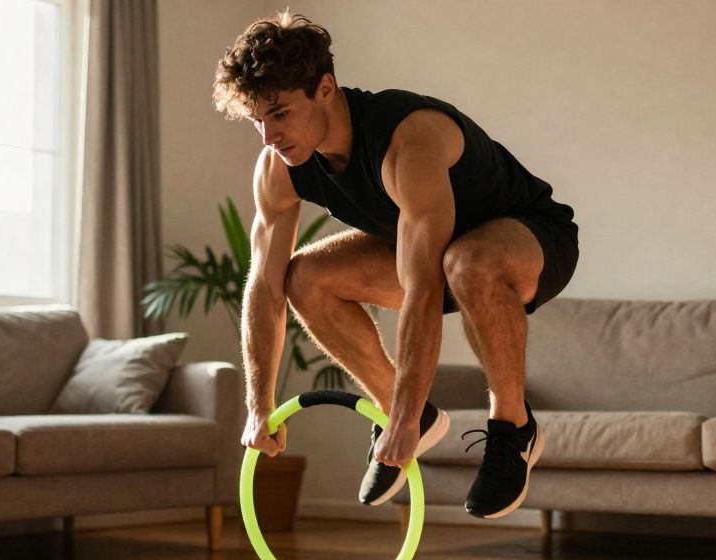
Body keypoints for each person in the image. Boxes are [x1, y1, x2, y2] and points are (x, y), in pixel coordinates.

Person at [214, 12, 579, 519]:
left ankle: (514, 429)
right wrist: (259, 407)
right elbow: (265, 286)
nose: (268, 136)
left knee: (464, 261)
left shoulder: (409, 140)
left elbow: (423, 288)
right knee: (303, 277)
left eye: (279, 113)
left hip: (530, 238)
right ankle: (399, 408)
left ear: (324, 88)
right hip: (435, 259)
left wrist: (405, 419)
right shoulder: (278, 169)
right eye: (257, 119)